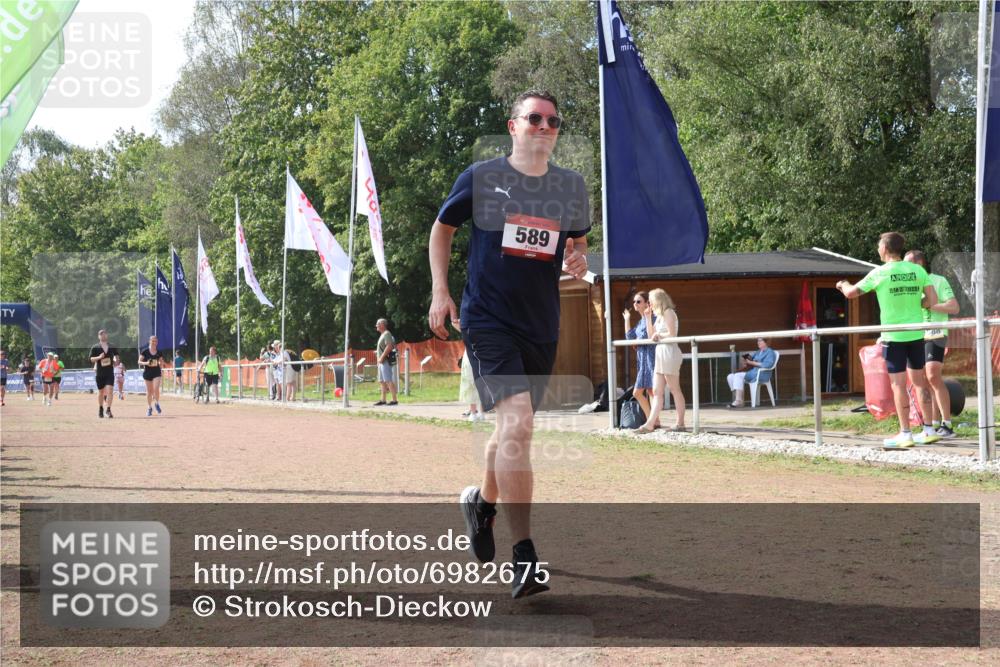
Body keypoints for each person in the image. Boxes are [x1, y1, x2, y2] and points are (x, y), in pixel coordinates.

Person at [428, 90, 589, 598]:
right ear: (514, 125)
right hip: (487, 318)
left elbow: (576, 240)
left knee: (511, 428)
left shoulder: (571, 187)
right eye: (534, 118)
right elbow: (441, 229)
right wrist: (440, 291)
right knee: (517, 421)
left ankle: (481, 502)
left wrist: (578, 259)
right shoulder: (481, 178)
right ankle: (523, 556)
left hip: (540, 323)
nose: (544, 126)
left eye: (553, 121)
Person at [837, 231, 937, 449]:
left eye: (879, 246)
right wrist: (913, 304)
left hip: (894, 337)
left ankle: (906, 434)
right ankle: (929, 430)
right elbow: (932, 300)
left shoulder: (880, 272)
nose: (877, 249)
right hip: (916, 334)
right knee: (920, 382)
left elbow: (852, 293)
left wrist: (842, 284)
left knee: (898, 385)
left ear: (885, 248)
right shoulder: (917, 270)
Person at [904, 249, 960, 440]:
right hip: (916, 336)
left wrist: (930, 305)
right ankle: (933, 424)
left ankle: (947, 424)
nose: (905, 268)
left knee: (933, 375)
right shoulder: (908, 284)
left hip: (936, 333)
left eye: (908, 264)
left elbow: (954, 307)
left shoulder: (938, 280)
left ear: (920, 263)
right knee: (923, 380)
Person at [636, 289, 687, 432]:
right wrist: (647, 318)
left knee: (674, 389)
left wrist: (659, 335)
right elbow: (652, 335)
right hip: (660, 353)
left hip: (669, 352)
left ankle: (680, 423)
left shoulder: (669, 312)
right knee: (657, 391)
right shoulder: (658, 317)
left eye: (651, 300)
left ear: (658, 300)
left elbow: (672, 334)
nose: (649, 303)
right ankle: (649, 424)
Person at [623, 291, 656, 426]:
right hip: (642, 360)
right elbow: (630, 337)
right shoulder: (641, 321)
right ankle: (652, 420)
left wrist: (638, 341)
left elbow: (648, 337)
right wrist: (627, 319)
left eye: (638, 301)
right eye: (634, 302)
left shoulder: (652, 318)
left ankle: (652, 420)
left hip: (650, 357)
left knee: (650, 390)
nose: (635, 304)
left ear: (647, 303)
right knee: (642, 391)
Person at [726, 337, 778, 408]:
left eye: (760, 341)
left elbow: (768, 365)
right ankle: (739, 400)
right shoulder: (759, 351)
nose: (758, 342)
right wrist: (744, 360)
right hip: (752, 373)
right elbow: (749, 357)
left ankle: (738, 401)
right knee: (730, 377)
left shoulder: (770, 352)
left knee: (738, 376)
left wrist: (752, 363)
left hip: (761, 374)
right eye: (757, 341)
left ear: (766, 342)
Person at [89, 330, 119, 418]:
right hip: (100, 373)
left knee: (110, 390)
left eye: (105, 334)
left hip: (109, 372)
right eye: (101, 334)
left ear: (107, 335)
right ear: (99, 336)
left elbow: (117, 357)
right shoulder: (95, 347)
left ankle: (108, 409)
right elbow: (91, 359)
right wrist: (99, 357)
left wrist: (116, 361)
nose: (103, 335)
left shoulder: (112, 346)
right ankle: (101, 408)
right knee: (101, 392)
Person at [374, 318, 398, 406]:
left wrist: (382, 357)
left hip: (385, 361)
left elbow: (389, 346)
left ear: (382, 325)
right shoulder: (382, 334)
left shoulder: (387, 334)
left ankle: (394, 400)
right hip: (381, 361)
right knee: (382, 381)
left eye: (377, 324)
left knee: (388, 380)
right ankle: (383, 400)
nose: (376, 326)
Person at [139, 335, 164, 416]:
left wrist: (161, 364)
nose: (154, 343)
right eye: (152, 341)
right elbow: (139, 362)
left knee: (156, 388)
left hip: (157, 372)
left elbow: (161, 362)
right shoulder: (145, 351)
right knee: (149, 392)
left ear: (157, 342)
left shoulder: (159, 352)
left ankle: (157, 403)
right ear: (149, 341)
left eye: (155, 341)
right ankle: (149, 408)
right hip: (147, 373)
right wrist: (146, 363)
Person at [459, 351, 484, 421]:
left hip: (471, 354)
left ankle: (473, 413)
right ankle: (481, 413)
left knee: (471, 383)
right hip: (484, 352)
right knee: (483, 383)